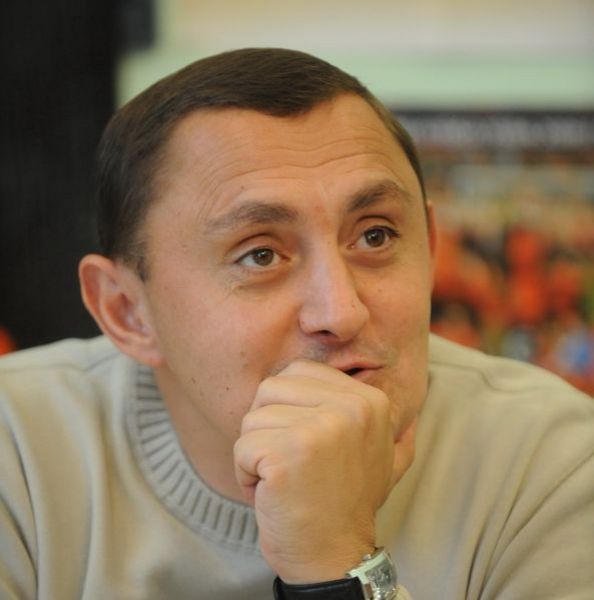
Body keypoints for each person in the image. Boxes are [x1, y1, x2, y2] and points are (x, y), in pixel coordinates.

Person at [0, 48, 592, 600]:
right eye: (260, 255)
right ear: (127, 312)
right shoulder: (17, 451)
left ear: (432, 251)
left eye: (375, 236)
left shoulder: (551, 462)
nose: (341, 312)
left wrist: (336, 561)